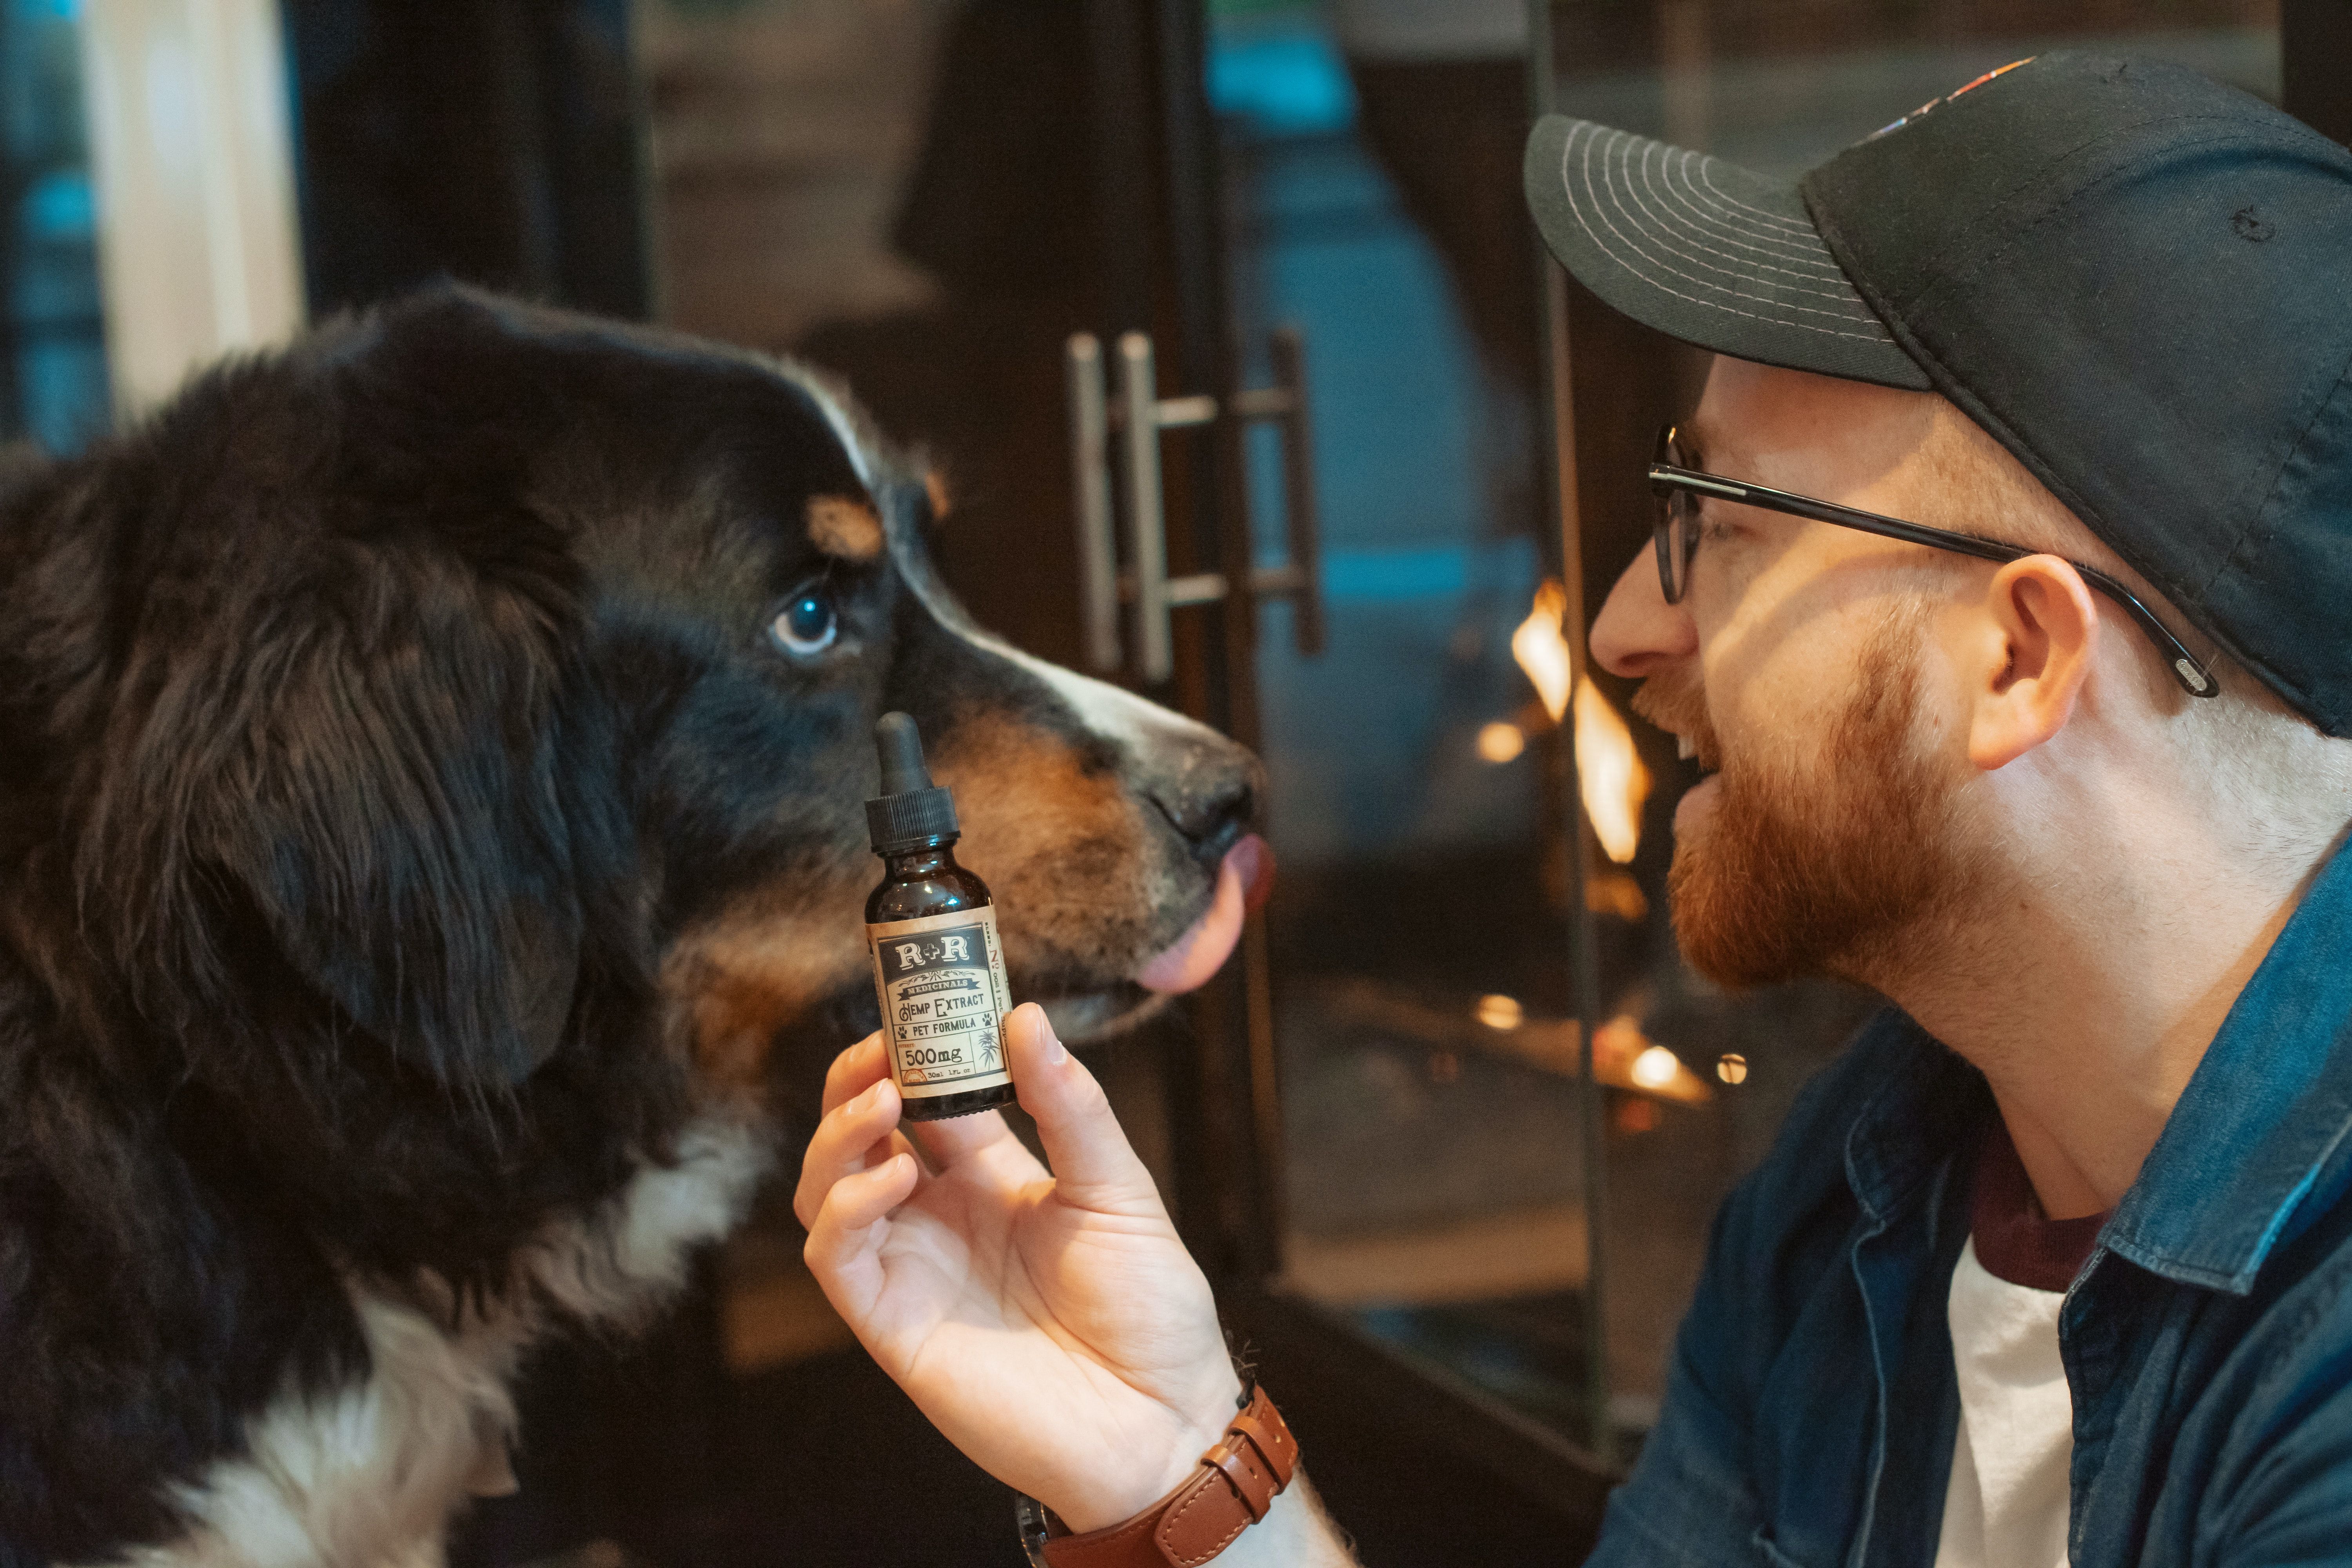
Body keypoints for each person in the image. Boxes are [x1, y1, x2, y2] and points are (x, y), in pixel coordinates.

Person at [795, 51, 2352, 1568]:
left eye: (1721, 526)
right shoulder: (1866, 1186)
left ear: (2019, 656)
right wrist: (1173, 1461)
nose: (1617, 628)